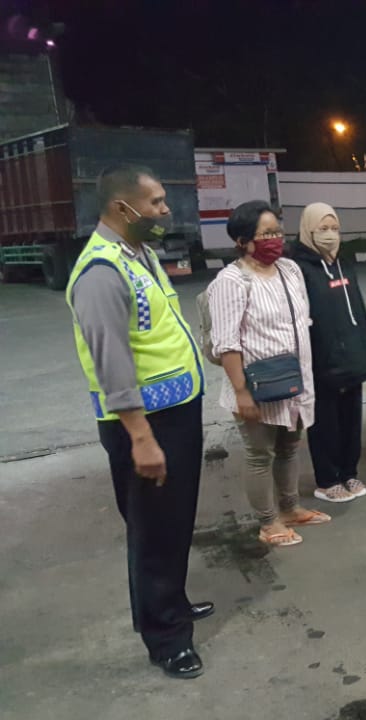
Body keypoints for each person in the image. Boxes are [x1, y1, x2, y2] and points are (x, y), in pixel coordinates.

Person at [66, 164, 211, 679]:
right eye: (155, 203)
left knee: (174, 521)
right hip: (145, 425)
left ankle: (172, 600)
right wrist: (141, 439)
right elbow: (112, 364)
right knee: (153, 530)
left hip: (175, 411)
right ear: (121, 208)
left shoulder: (139, 253)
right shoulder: (100, 273)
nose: (165, 211)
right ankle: (166, 637)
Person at [208, 200, 331, 546]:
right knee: (260, 454)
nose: (275, 239)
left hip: (292, 379)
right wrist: (241, 392)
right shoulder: (232, 281)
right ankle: (268, 522)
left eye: (277, 231)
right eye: (266, 234)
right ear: (242, 240)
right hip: (255, 384)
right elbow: (226, 343)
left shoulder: (289, 270)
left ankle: (289, 508)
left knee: (290, 447)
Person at [290, 202, 366, 503]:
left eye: (335, 229)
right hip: (321, 362)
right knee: (325, 423)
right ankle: (328, 480)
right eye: (323, 229)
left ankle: (349, 472)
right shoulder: (298, 269)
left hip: (351, 359)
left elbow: (359, 313)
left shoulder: (344, 264)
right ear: (308, 230)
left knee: (351, 421)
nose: (330, 235)